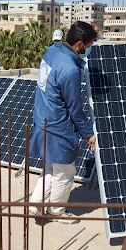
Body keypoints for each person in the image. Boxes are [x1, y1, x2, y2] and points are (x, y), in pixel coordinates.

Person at [29, 21, 97, 224]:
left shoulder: (52, 51)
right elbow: (75, 109)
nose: (90, 49)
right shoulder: (70, 70)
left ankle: (36, 205)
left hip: (42, 120)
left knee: (51, 167)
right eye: (89, 44)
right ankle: (56, 211)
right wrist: (89, 134)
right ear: (78, 44)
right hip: (58, 128)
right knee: (65, 171)